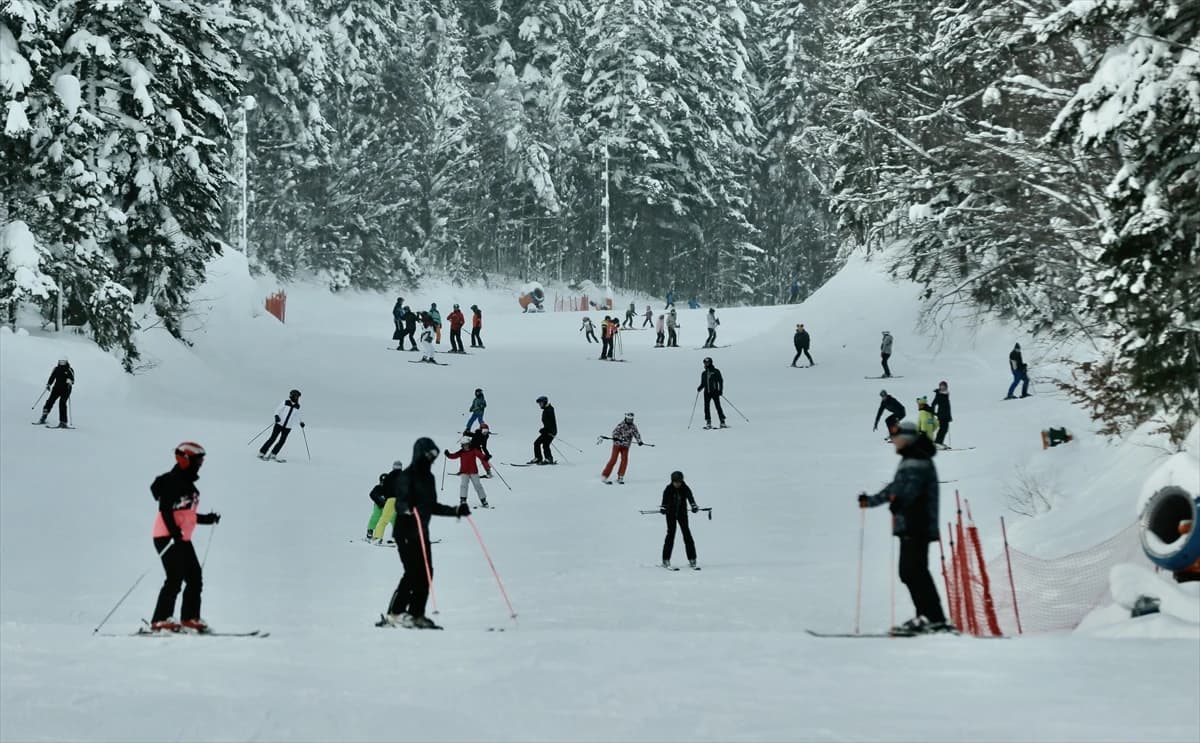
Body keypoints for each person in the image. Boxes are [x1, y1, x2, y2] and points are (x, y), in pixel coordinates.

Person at [857, 422, 955, 636]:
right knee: (911, 571)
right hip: (911, 523)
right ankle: (928, 617)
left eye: (897, 437)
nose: (894, 441)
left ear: (908, 438)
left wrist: (899, 504)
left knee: (913, 571)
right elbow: (896, 488)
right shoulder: (911, 459)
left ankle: (935, 619)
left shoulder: (916, 460)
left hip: (916, 523)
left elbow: (910, 490)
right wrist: (871, 501)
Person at [380, 438, 468, 629]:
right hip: (405, 531)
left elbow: (431, 506)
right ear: (419, 454)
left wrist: (455, 510)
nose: (431, 459)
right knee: (412, 572)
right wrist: (407, 507)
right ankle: (393, 614)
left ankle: (416, 614)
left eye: (433, 456)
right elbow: (399, 502)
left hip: (421, 533)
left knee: (427, 573)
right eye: (428, 455)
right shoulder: (406, 476)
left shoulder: (429, 479)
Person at [149, 442, 220, 632]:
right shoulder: (171, 481)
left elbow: (186, 515)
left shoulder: (188, 484)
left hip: (181, 538)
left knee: (195, 577)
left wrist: (208, 519)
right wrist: (174, 532)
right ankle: (160, 620)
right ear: (186, 459)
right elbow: (165, 510)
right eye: (198, 460)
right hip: (167, 537)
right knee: (174, 577)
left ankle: (189, 618)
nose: (201, 463)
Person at [660, 470, 699, 569]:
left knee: (687, 534)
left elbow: (690, 497)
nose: (678, 484)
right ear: (672, 481)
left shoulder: (685, 488)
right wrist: (663, 507)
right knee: (670, 535)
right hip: (671, 515)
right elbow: (664, 500)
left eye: (679, 482)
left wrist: (693, 505)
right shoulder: (668, 489)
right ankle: (666, 559)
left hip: (682, 514)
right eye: (676, 482)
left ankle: (692, 559)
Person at [258, 389, 305, 460]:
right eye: (295, 396)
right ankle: (262, 452)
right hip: (279, 424)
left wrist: (301, 422)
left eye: (298, 397)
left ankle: (273, 453)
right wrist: (276, 416)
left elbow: (297, 415)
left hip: (288, 427)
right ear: (291, 396)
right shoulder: (285, 402)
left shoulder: (297, 406)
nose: (297, 398)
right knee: (272, 438)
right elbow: (277, 410)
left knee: (282, 441)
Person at [445, 436, 490, 508]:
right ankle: (463, 500)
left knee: (478, 485)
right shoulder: (461, 452)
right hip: (464, 472)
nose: (465, 446)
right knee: (463, 485)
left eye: (466, 444)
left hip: (473, 471)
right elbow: (454, 456)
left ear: (469, 444)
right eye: (463, 445)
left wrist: (485, 457)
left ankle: (483, 500)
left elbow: (480, 455)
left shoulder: (474, 450)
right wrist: (448, 454)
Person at [601, 412, 643, 484]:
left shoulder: (633, 427)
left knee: (624, 460)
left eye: (631, 419)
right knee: (613, 460)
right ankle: (605, 475)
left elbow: (636, 434)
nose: (629, 421)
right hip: (617, 445)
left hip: (626, 446)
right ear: (625, 418)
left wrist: (639, 441)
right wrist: (617, 438)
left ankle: (620, 476)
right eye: (628, 419)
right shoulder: (621, 425)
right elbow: (614, 432)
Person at [367, 461, 405, 543]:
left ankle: (379, 537)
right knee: (377, 517)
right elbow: (372, 494)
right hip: (382, 505)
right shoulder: (404, 476)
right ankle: (371, 531)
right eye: (382, 481)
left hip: (390, 502)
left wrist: (387, 497)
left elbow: (387, 490)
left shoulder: (390, 476)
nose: (382, 483)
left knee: (390, 519)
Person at [38, 358, 75, 427]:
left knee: (62, 403)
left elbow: (72, 379)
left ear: (66, 362)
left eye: (63, 362)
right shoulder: (56, 369)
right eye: (60, 361)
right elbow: (52, 377)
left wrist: (70, 381)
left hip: (66, 389)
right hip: (56, 388)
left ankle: (63, 422)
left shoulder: (69, 369)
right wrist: (49, 384)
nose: (62, 363)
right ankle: (44, 416)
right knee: (50, 401)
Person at [697, 357, 726, 429]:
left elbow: (720, 381)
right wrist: (700, 388)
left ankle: (722, 421)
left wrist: (720, 390)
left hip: (715, 392)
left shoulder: (716, 371)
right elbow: (703, 383)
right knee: (706, 407)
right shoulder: (704, 373)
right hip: (706, 393)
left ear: (711, 362)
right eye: (705, 362)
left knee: (718, 407)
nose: (706, 364)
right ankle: (708, 421)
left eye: (708, 362)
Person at [530, 396, 557, 464]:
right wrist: (544, 429)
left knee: (544, 444)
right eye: (539, 403)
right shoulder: (546, 409)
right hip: (547, 431)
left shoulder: (549, 410)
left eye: (540, 403)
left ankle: (547, 459)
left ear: (544, 402)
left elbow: (551, 422)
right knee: (538, 443)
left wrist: (545, 429)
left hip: (550, 431)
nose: (539, 405)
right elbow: (547, 422)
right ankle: (539, 458)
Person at [931, 381, 952, 449]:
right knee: (942, 429)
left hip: (946, 415)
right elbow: (933, 403)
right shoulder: (939, 394)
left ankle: (939, 442)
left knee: (945, 429)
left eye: (944, 386)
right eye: (941, 386)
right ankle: (937, 442)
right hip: (941, 415)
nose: (942, 387)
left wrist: (949, 416)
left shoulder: (946, 394)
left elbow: (947, 407)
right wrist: (933, 413)